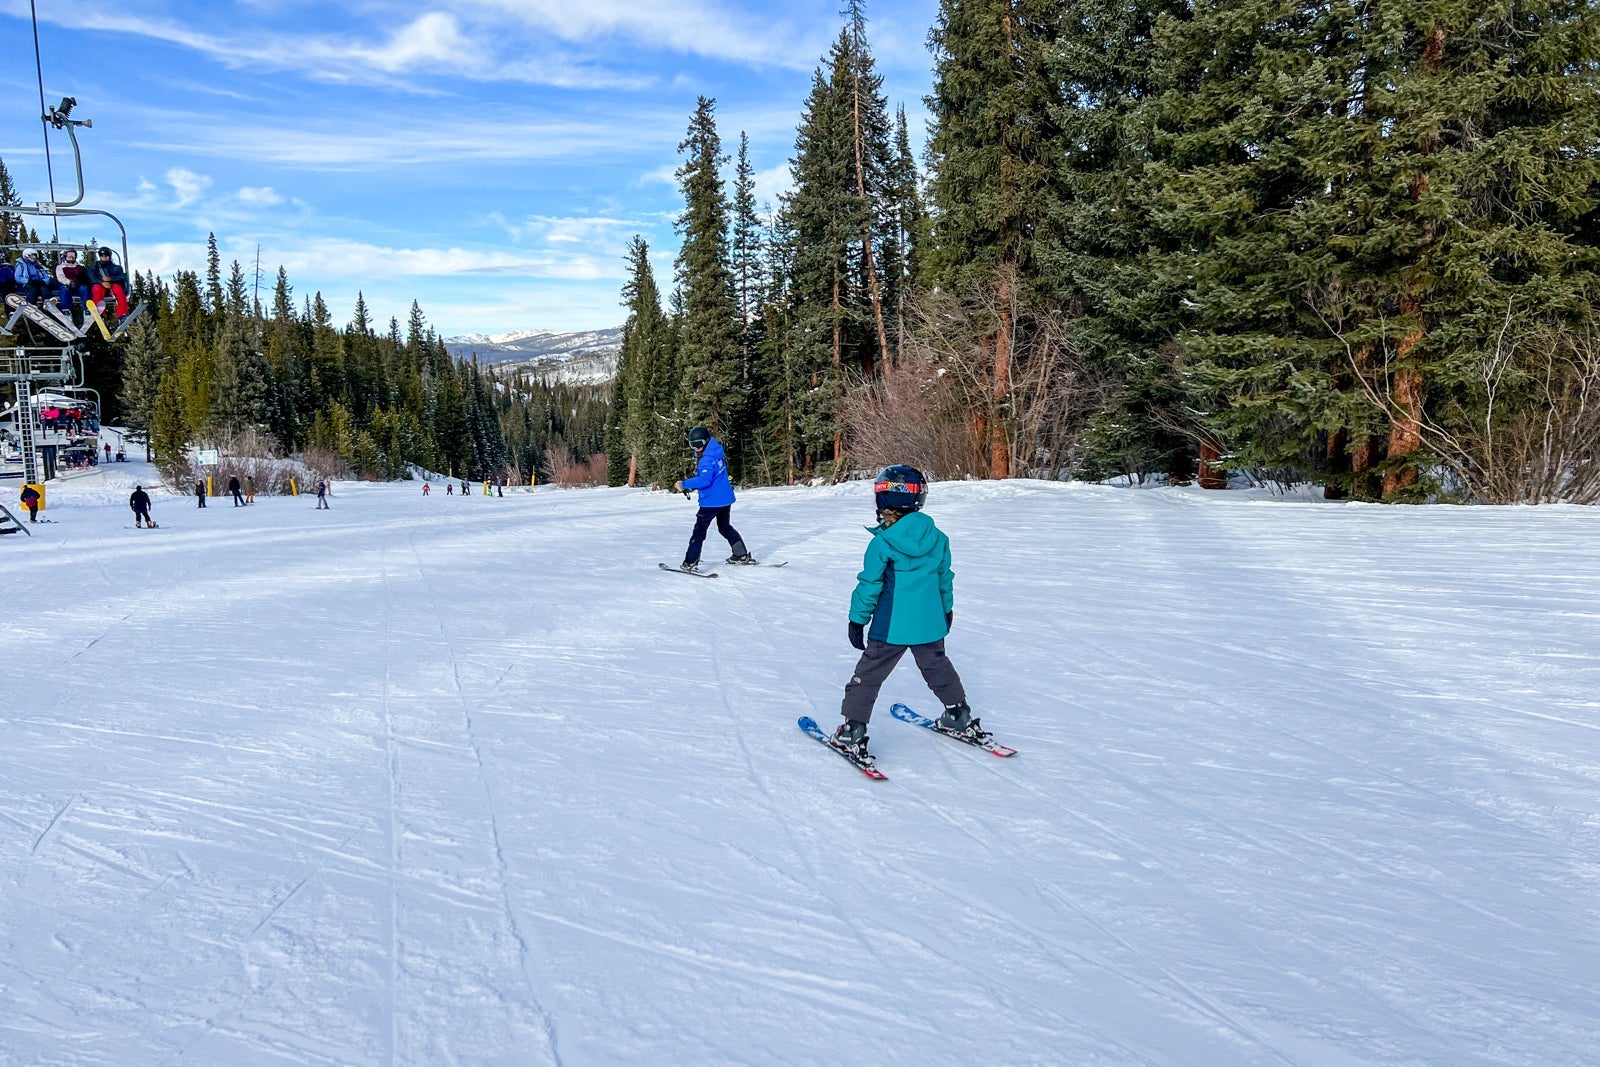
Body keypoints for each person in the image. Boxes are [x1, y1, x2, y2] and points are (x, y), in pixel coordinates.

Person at [830, 465, 983, 758]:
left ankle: (853, 732)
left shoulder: (882, 543)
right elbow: (944, 578)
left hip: (891, 627)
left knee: (869, 675)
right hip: (929, 623)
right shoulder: (938, 538)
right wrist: (946, 611)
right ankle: (958, 714)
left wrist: (857, 619)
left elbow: (869, 585)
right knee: (938, 667)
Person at [673, 426, 754, 572]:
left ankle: (690, 562)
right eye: (692, 445)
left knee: (699, 532)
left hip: (712, 502)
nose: (695, 448)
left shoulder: (707, 459)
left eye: (698, 445)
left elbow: (704, 480)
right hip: (724, 499)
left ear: (705, 441)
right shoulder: (716, 452)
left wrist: (684, 484)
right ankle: (740, 554)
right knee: (724, 527)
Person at [90, 247, 130, 318]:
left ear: (109, 256)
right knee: (96, 288)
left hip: (113, 286)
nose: (104, 258)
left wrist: (110, 279)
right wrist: (102, 282)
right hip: (100, 285)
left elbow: (122, 277)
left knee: (118, 289)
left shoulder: (116, 268)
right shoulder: (95, 268)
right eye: (102, 256)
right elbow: (92, 278)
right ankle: (100, 312)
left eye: (106, 256)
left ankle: (122, 314)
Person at [55, 249, 91, 317]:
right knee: (64, 289)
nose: (71, 257)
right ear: (65, 257)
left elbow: (85, 277)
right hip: (68, 285)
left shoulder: (80, 267)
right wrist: (69, 282)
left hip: (78, 285)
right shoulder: (60, 267)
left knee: (84, 288)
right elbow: (61, 278)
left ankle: (86, 310)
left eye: (73, 255)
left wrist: (80, 282)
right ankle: (66, 310)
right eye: (69, 255)